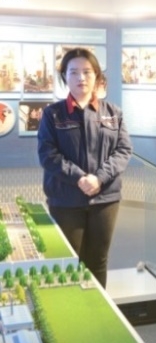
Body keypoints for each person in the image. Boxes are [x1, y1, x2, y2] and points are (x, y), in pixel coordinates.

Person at [37, 48, 133, 287]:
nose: (81, 77)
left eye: (87, 72)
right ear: (65, 77)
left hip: (105, 200)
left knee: (98, 261)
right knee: (68, 262)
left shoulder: (113, 113)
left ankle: (97, 306)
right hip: (66, 199)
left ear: (97, 76)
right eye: (74, 72)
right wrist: (79, 178)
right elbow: (48, 154)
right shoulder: (53, 114)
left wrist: (99, 178)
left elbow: (123, 150)